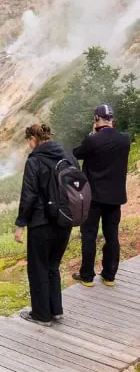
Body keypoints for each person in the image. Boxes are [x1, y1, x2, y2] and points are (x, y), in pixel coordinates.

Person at [15, 124, 77, 327]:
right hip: (65, 220)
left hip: (41, 223)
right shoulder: (68, 156)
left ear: (33, 138)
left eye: (28, 141)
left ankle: (41, 315)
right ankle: (56, 310)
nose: (29, 145)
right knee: (52, 266)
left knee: (37, 268)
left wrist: (21, 223)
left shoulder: (35, 161)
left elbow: (29, 194)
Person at [72, 104, 131, 287]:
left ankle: (87, 276)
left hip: (94, 197)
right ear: (112, 119)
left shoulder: (93, 140)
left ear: (97, 119)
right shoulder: (125, 139)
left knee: (89, 234)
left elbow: (76, 154)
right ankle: (109, 276)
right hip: (115, 197)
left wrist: (91, 135)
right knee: (111, 235)